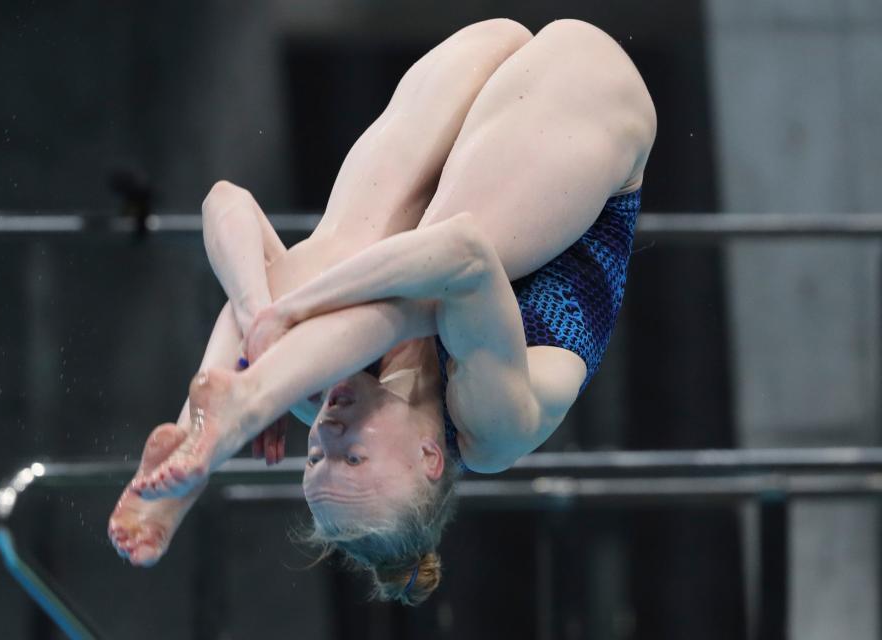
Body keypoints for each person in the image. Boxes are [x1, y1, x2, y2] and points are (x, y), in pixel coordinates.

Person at [108, 18, 655, 606]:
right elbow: (463, 254)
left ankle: (210, 427)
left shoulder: (324, 385)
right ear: (428, 458)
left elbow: (226, 202)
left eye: (315, 455)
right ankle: (237, 413)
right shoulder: (491, 431)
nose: (327, 433)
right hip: (586, 88)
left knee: (338, 267)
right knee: (414, 302)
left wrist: (257, 319)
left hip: (481, 57)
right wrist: (294, 318)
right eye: (353, 456)